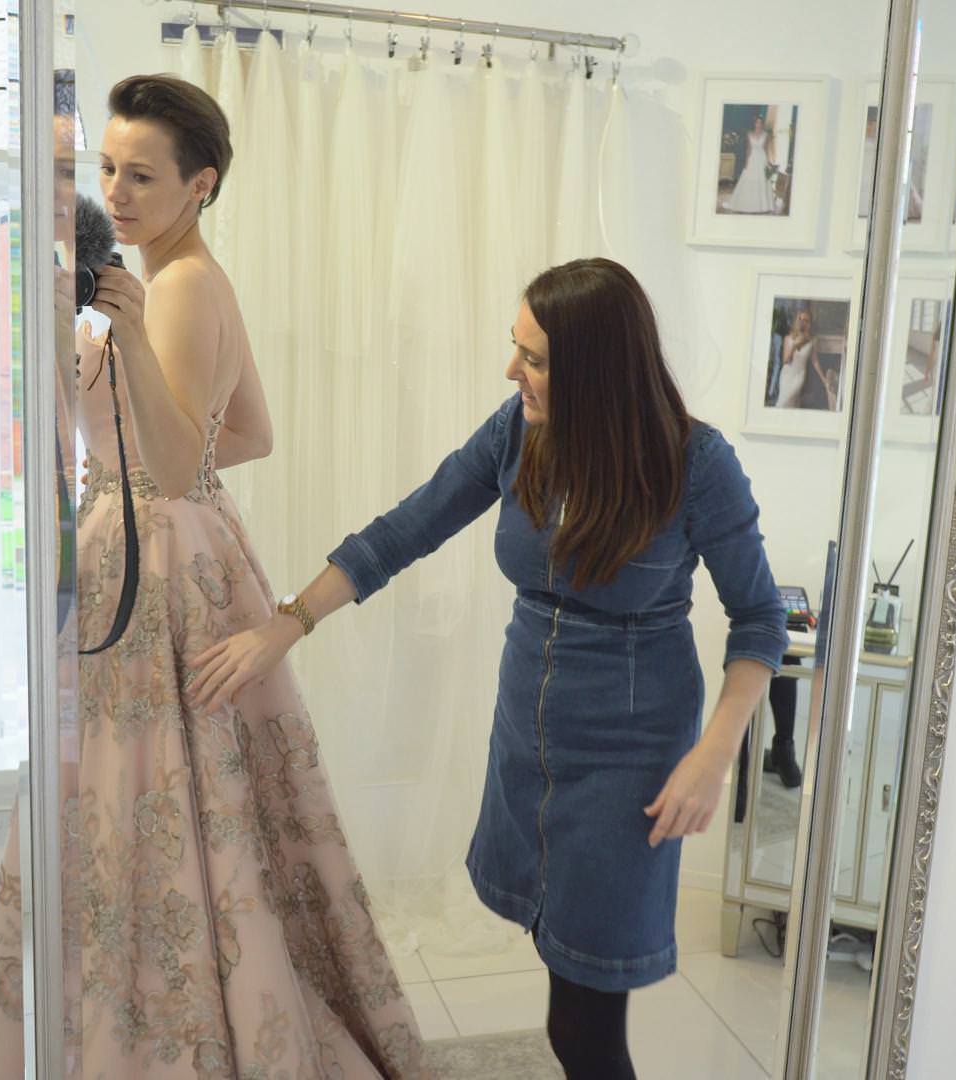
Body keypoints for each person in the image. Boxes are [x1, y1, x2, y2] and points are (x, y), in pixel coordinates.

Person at [191, 258, 789, 1079]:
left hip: (632, 756)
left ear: (600, 369)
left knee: (585, 1024)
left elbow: (761, 616)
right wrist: (287, 624)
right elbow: (407, 528)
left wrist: (713, 756)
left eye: (535, 358)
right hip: (528, 736)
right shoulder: (519, 432)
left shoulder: (695, 463)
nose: (514, 371)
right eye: (517, 349)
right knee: (562, 969)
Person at [0, 75, 432, 1080]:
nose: (119, 193)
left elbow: (172, 466)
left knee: (146, 804)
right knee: (193, 804)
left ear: (201, 184)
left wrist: (124, 350)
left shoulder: (171, 288)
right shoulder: (196, 279)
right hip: (192, 547)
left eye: (143, 175)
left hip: (148, 560)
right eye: (108, 170)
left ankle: (152, 1029)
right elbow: (247, 433)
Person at [722, 113, 781, 215]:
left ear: (762, 124)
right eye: (757, 122)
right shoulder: (749, 134)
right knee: (749, 179)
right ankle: (746, 203)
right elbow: (748, 150)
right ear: (754, 124)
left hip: (762, 159)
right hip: (752, 159)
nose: (758, 124)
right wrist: (746, 163)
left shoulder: (766, 135)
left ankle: (763, 205)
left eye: (760, 123)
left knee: (762, 180)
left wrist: (768, 162)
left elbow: (766, 149)